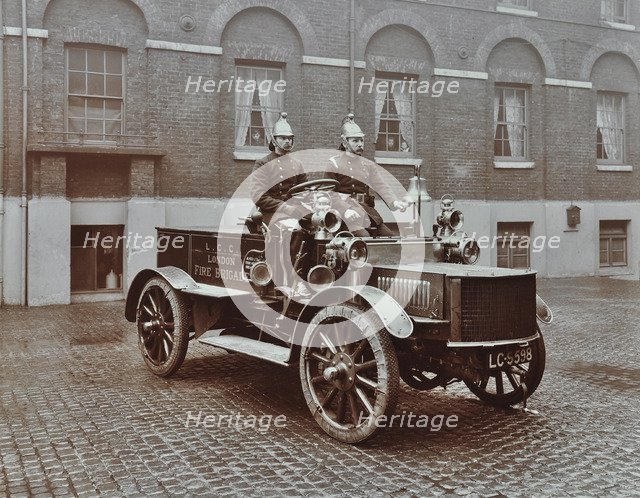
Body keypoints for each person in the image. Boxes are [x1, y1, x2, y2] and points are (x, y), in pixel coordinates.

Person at [251, 112, 310, 296]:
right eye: (283, 138)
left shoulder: (297, 164)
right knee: (295, 230)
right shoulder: (262, 163)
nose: (287, 142)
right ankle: (290, 281)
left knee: (323, 226)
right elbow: (259, 197)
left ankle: (316, 275)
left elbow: (305, 190)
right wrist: (285, 207)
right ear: (274, 140)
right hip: (271, 213)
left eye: (290, 138)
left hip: (295, 209)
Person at [327, 113, 409, 237]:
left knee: (390, 239)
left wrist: (394, 202)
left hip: (367, 212)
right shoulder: (334, 163)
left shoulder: (368, 165)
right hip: (345, 217)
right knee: (365, 240)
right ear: (344, 142)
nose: (360, 144)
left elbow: (381, 185)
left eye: (361, 140)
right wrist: (345, 210)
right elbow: (329, 193)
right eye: (355, 140)